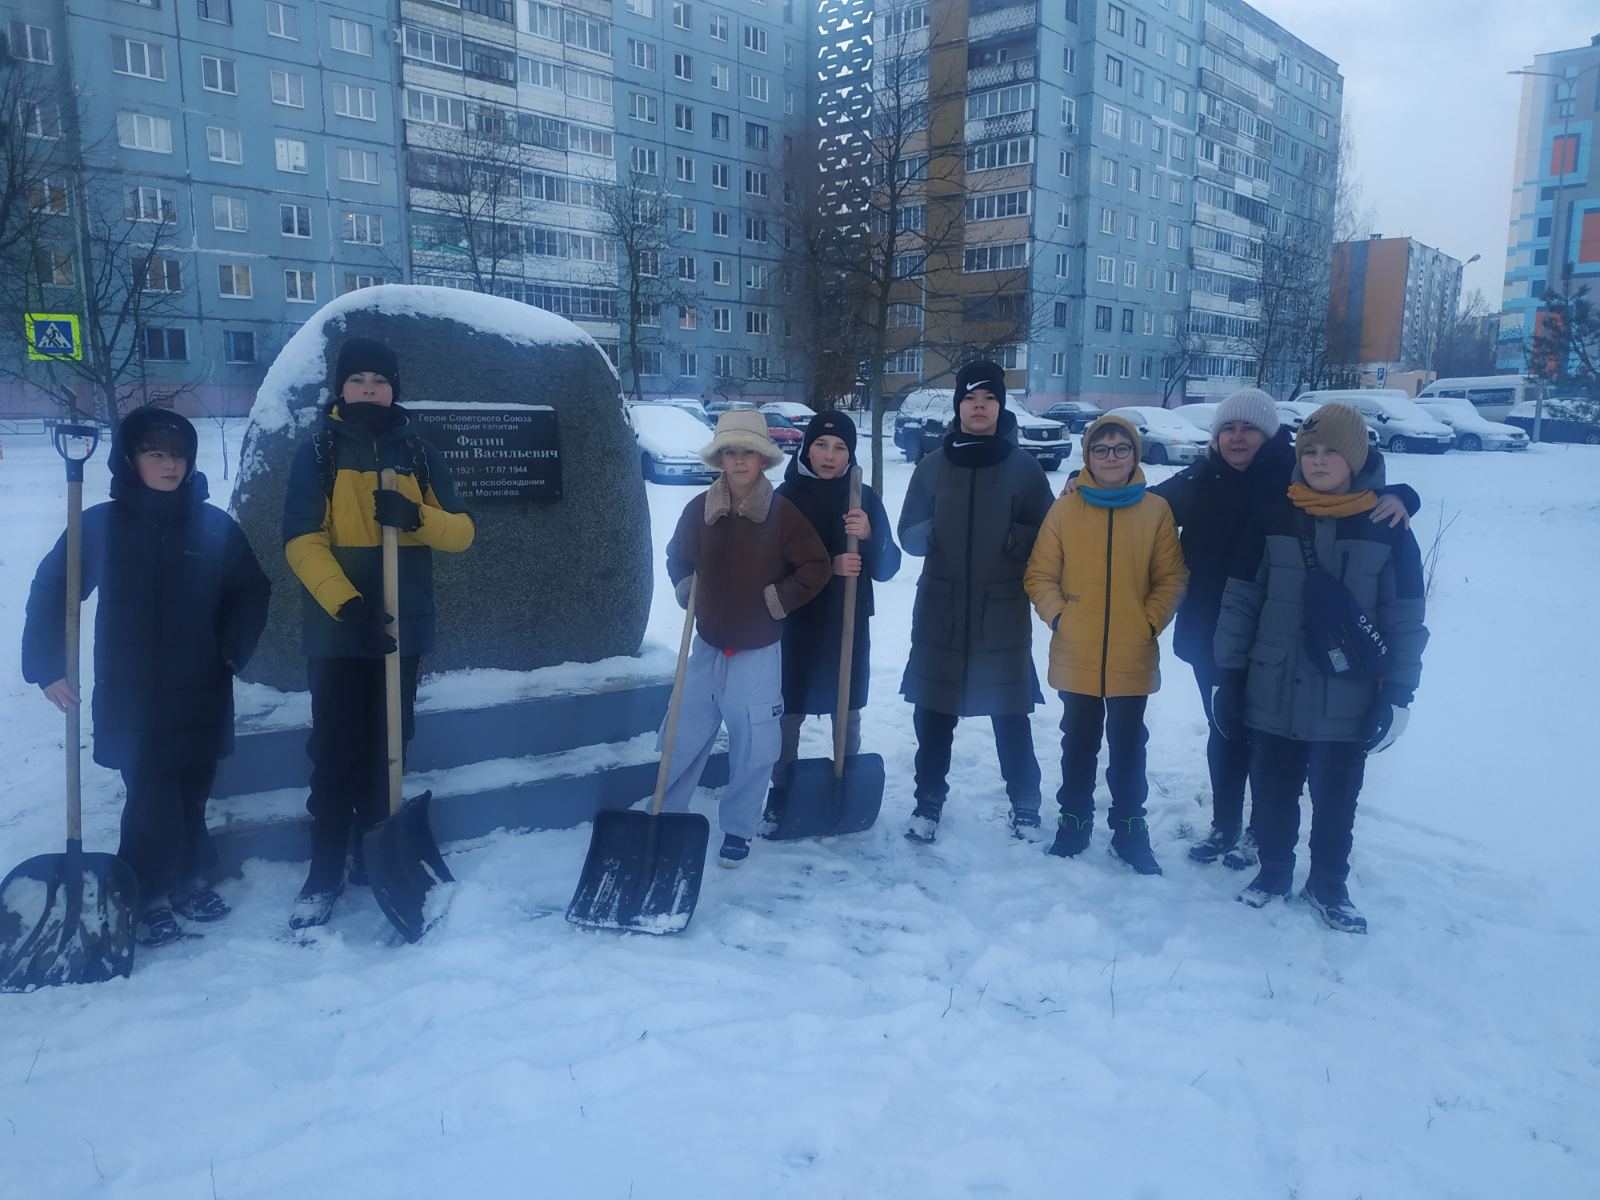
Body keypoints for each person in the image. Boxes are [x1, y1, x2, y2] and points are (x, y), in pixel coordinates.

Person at [1137, 390, 1418, 870]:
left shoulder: (1293, 476)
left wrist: (1403, 495)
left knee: (1270, 744)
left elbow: (1349, 489)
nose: (1237, 437)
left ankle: (1260, 833)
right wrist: (1083, 483)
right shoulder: (1200, 478)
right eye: (1228, 429)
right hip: (1213, 631)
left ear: (1270, 435)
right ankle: (1225, 824)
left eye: (1249, 429)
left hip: (1287, 636)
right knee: (1225, 729)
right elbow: (1142, 505)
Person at [22, 407, 271, 946]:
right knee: (151, 799)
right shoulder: (101, 526)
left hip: (201, 687)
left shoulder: (213, 526)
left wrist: (231, 650)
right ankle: (146, 890)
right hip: (133, 694)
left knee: (192, 793)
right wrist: (46, 664)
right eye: (156, 453)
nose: (170, 464)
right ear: (130, 459)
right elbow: (53, 588)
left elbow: (251, 590)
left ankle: (188, 879)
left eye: (178, 455)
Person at [281, 336, 475, 928]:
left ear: (395, 389)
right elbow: (301, 540)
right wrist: (347, 605)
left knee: (391, 740)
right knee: (335, 746)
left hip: (401, 626)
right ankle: (325, 865)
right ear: (340, 387)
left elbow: (461, 532)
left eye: (381, 380)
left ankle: (374, 848)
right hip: (339, 627)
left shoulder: (419, 453)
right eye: (358, 379)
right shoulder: (319, 453)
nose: (370, 389)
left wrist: (415, 516)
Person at [1212, 404, 1429, 933]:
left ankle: (1328, 883)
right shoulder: (1272, 518)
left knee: (1337, 798)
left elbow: (1405, 618)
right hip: (1274, 686)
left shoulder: (1388, 527)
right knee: (1273, 789)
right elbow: (1240, 602)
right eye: (1308, 451)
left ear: (1355, 458)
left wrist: (1399, 692)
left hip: (1348, 695)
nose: (1318, 460)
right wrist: (1229, 675)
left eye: (1331, 451)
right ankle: (1273, 873)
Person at [663, 410, 831, 866]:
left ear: (763, 459)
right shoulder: (699, 510)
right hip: (707, 646)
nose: (739, 461)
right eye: (730, 452)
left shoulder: (782, 514)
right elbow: (677, 556)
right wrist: (685, 585)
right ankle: (666, 810)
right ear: (719, 459)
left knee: (754, 744)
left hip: (757, 650)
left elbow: (816, 566)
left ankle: (738, 828)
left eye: (748, 453)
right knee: (683, 731)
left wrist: (778, 600)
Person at [897, 361, 1056, 844]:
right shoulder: (932, 466)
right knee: (932, 714)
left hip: (999, 610)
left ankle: (1025, 804)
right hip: (940, 610)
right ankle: (927, 802)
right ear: (959, 406)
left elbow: (1049, 534)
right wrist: (931, 533)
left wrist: (1013, 538)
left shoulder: (1024, 468)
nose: (979, 406)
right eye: (970, 398)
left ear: (1000, 407)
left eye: (989, 398)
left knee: (1010, 714)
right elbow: (907, 531)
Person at [1024, 414, 1188, 873]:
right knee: (1078, 743)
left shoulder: (1156, 511)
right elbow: (1039, 574)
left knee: (1129, 746)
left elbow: (1171, 577)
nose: (1111, 457)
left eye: (1121, 449)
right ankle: (1073, 821)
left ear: (1134, 455)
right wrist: (1061, 617)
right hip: (1076, 649)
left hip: (1132, 652)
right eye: (1101, 449)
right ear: (1087, 456)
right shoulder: (1064, 510)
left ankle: (1130, 828)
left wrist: (1148, 623)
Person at [763, 410, 902, 832]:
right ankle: (782, 787)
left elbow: (888, 567)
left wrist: (871, 535)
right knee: (790, 709)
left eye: (840, 447)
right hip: (799, 624)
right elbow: (771, 565)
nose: (829, 455)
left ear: (850, 454)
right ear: (807, 449)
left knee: (848, 706)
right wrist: (829, 564)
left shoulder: (863, 497)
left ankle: (846, 779)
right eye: (821, 445)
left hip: (848, 622)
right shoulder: (785, 498)